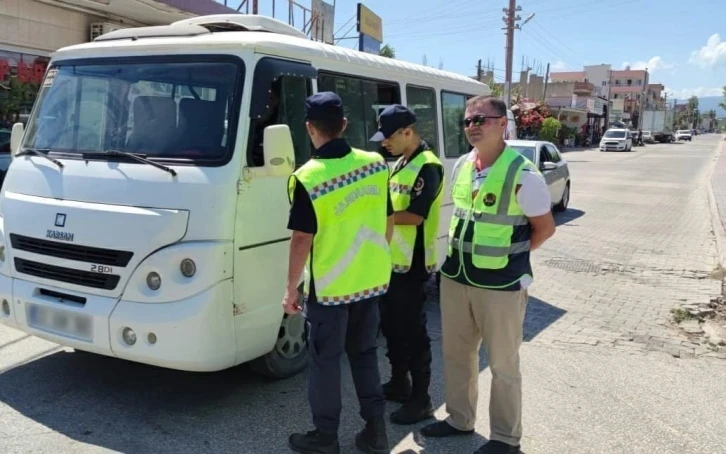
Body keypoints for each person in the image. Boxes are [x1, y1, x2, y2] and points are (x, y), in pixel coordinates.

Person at [420, 95, 556, 454]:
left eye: (481, 119)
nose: (472, 127)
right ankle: (459, 419)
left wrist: (511, 258)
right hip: (457, 277)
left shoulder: (523, 173)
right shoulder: (463, 165)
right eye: (467, 121)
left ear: (502, 123)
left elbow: (544, 228)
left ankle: (506, 438)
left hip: (501, 284)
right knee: (457, 353)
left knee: (502, 364)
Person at [283, 91, 395, 454]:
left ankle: (326, 437)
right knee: (364, 356)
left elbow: (302, 238)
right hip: (371, 282)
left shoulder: (309, 177)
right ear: (344, 124)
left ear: (309, 128)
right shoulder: (376, 163)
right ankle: (375, 431)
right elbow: (388, 220)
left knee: (326, 363)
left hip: (330, 291)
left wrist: (290, 289)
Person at [368, 104, 444, 425]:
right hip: (391, 263)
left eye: (388, 137)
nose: (383, 143)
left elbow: (415, 215)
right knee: (393, 328)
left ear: (407, 132)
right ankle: (400, 382)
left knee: (413, 333)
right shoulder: (400, 162)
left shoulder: (428, 166)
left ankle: (421, 399)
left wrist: (374, 217)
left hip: (412, 266)